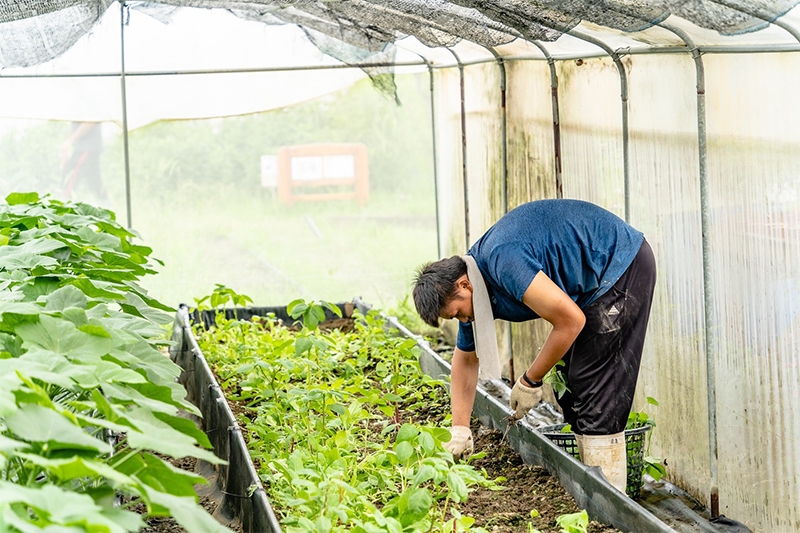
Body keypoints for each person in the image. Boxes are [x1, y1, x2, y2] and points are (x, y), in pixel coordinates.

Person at [412, 199, 656, 493]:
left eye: (458, 313)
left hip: (620, 265)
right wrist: (460, 428)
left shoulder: (504, 262)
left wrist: (530, 379)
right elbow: (465, 360)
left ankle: (610, 502)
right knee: (571, 388)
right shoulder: (475, 292)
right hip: (590, 287)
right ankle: (594, 489)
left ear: (463, 285)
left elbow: (570, 321)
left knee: (594, 389)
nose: (463, 319)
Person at [60, 121, 109, 203]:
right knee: (96, 184)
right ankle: (107, 205)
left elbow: (89, 122)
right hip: (83, 148)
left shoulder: (87, 108)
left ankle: (62, 207)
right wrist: (68, 146)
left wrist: (70, 141)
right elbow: (73, 124)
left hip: (86, 148)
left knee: (70, 183)